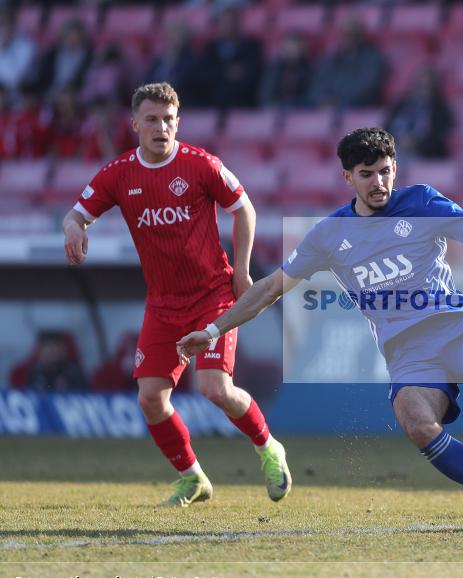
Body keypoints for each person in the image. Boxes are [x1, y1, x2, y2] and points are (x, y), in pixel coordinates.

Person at [178, 128, 463, 532]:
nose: (379, 183)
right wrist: (215, 329)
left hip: (456, 325)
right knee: (418, 424)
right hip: (406, 351)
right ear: (347, 178)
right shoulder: (327, 235)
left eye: (385, 171)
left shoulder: (421, 203)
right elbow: (271, 289)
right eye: (366, 174)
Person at [62, 82, 291, 507]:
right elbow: (76, 214)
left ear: (178, 122)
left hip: (212, 296)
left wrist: (240, 271)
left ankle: (269, 448)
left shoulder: (201, 165)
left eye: (168, 119)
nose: (161, 127)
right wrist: (74, 227)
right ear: (134, 125)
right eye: (151, 119)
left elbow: (244, 209)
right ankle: (193, 479)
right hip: (163, 304)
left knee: (215, 388)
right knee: (150, 399)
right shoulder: (118, 174)